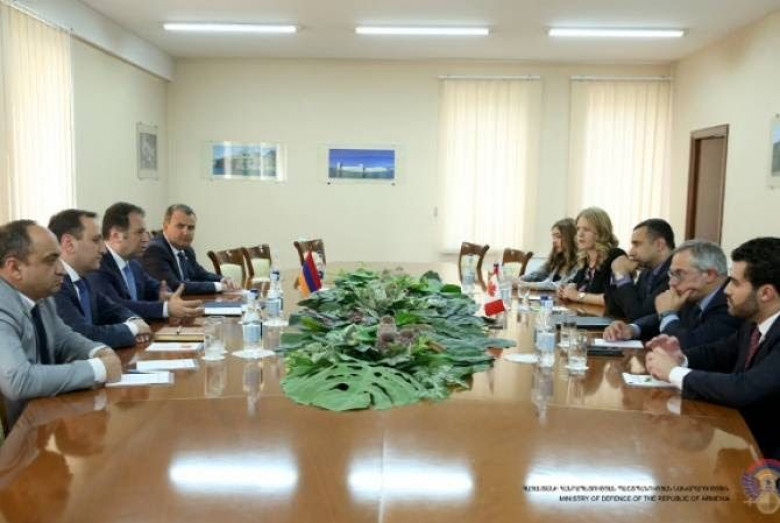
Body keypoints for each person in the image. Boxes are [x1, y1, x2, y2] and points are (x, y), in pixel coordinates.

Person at [645, 237, 780, 460]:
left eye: (735, 283)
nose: (726, 290)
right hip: (746, 440)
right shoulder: (753, 324)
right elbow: (717, 352)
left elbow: (744, 388)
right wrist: (680, 358)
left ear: (766, 293)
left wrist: (674, 372)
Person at [0, 220, 122, 429]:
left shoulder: (41, 296)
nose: (62, 270)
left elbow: (63, 338)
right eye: (51, 260)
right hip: (18, 437)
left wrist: (98, 351)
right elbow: (19, 381)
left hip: (42, 420)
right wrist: (97, 369)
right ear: (15, 268)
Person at [604, 239, 742, 348]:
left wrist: (667, 314)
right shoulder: (695, 294)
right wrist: (632, 329)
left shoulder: (731, 303)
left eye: (679, 274)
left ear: (710, 275)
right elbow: (658, 319)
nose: (671, 283)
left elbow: (687, 345)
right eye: (671, 274)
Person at [48, 209, 151, 348]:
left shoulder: (84, 279)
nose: (104, 249)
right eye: (96, 240)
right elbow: (83, 335)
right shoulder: (54, 285)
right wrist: (134, 328)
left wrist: (134, 320)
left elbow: (113, 309)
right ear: (69, 244)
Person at [88, 202, 203, 321]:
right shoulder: (97, 266)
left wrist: (168, 296)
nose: (146, 239)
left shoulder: (133, 264)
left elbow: (158, 287)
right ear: (116, 236)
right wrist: (166, 309)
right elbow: (117, 306)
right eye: (139, 232)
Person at [142, 204, 240, 295]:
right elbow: (174, 287)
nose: (186, 232)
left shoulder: (187, 249)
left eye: (191, 228)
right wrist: (219, 286)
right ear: (165, 226)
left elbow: (200, 274)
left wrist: (223, 280)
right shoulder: (155, 250)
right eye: (180, 226)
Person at [604, 218, 674, 321]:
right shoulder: (646, 272)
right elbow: (616, 311)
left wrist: (622, 275)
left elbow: (638, 316)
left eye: (637, 244)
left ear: (659, 245)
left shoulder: (674, 273)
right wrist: (618, 275)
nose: (631, 252)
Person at [557, 207, 625, 306]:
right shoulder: (586, 259)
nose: (580, 234)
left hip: (607, 315)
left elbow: (616, 298)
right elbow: (574, 282)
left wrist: (578, 296)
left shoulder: (615, 256)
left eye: (586, 229)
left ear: (601, 232)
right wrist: (566, 288)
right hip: (586, 313)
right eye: (578, 229)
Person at [519, 218, 578, 290]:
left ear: (570, 238)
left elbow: (560, 286)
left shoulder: (580, 263)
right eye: (553, 237)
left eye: (558, 236)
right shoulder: (557, 258)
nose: (554, 241)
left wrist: (524, 285)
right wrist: (516, 280)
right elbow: (536, 275)